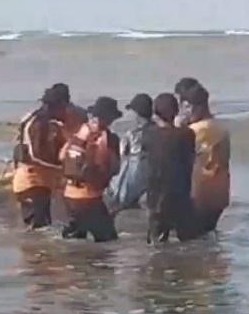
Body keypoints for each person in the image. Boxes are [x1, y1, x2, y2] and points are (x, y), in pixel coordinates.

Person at [61, 96, 122, 242]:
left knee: (76, 242)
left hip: (69, 196)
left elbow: (62, 156)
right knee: (109, 243)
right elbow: (114, 167)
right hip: (90, 198)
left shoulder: (79, 133)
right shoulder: (109, 138)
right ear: (109, 118)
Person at [11, 87, 68, 230]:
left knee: (41, 230)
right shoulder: (38, 124)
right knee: (38, 229)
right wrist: (61, 169)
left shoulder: (40, 120)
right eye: (64, 107)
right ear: (55, 105)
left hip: (37, 183)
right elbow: (35, 156)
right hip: (32, 182)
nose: (65, 111)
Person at [143, 93, 196, 244]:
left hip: (156, 195)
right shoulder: (186, 134)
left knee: (156, 241)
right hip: (180, 193)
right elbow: (190, 158)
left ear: (155, 113)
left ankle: (159, 264)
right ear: (176, 111)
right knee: (187, 240)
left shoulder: (149, 135)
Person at [181, 80, 231, 233]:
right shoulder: (221, 128)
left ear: (197, 107)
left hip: (200, 193)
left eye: (187, 108)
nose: (185, 113)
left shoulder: (195, 131)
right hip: (221, 193)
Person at [104, 93, 154, 214]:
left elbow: (126, 160)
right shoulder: (157, 130)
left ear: (136, 113)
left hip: (133, 180)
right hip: (150, 182)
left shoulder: (132, 135)